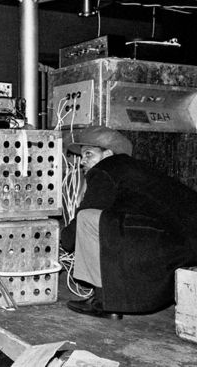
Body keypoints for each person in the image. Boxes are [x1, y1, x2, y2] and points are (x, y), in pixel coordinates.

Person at [61, 125, 197, 319]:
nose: (82, 161)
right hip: (185, 241)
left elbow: (88, 209)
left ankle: (105, 302)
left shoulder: (107, 168)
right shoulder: (132, 168)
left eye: (88, 154)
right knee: (109, 221)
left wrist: (62, 240)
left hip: (174, 243)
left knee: (88, 218)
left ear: (107, 153)